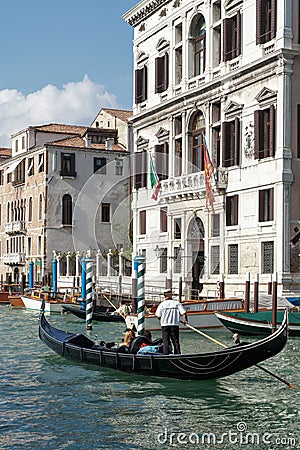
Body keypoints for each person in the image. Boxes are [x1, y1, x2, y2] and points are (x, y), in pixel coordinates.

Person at [155, 289, 188, 355]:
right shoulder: (176, 303)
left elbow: (158, 316)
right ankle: (177, 354)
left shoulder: (162, 304)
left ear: (165, 296)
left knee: (166, 341)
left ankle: (165, 355)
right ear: (171, 295)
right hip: (174, 324)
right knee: (175, 341)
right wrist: (185, 321)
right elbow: (184, 313)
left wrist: (162, 319)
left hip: (165, 325)